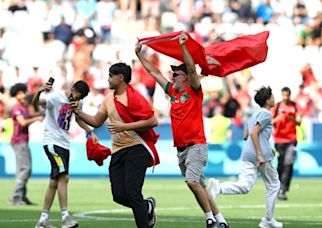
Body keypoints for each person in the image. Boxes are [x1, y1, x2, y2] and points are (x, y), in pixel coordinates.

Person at [136, 32, 229, 228]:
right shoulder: (172, 92)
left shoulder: (194, 90)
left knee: (192, 182)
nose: (173, 76)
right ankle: (221, 221)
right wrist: (140, 56)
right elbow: (155, 73)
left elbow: (193, 72)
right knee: (200, 186)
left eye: (176, 74)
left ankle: (209, 220)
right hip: (181, 149)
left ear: (186, 77)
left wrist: (184, 48)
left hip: (196, 145)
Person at [70, 63, 159, 228]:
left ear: (121, 78)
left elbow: (153, 121)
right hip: (118, 150)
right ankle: (146, 206)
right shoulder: (108, 98)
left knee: (133, 192)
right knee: (118, 195)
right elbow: (97, 121)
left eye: (111, 75)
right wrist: (79, 112)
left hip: (137, 147)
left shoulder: (135, 97)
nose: (108, 78)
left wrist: (124, 127)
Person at [207, 86, 283, 228]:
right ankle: (267, 220)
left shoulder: (254, 113)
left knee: (245, 186)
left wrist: (267, 147)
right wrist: (261, 154)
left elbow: (245, 135)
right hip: (259, 155)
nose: (274, 99)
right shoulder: (266, 114)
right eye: (272, 97)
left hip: (248, 153)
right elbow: (253, 133)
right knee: (274, 185)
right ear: (267, 101)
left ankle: (218, 188)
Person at [32, 79, 98, 228]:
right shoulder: (56, 97)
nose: (76, 100)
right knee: (64, 177)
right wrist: (39, 91)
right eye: (76, 96)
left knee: (54, 182)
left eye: (80, 99)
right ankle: (65, 217)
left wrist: (90, 132)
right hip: (52, 142)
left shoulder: (76, 103)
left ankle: (43, 220)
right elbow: (37, 103)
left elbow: (79, 120)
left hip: (64, 144)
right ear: (72, 89)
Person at [8, 83, 43, 205]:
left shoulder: (23, 107)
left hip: (22, 141)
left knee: (22, 170)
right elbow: (22, 122)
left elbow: (29, 116)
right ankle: (15, 196)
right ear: (16, 95)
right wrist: (37, 119)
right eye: (20, 93)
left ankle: (21, 196)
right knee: (26, 169)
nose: (23, 95)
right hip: (19, 141)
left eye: (23, 92)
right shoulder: (17, 108)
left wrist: (39, 114)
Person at [272, 87, 301, 200]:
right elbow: (269, 121)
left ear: (290, 95)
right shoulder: (277, 106)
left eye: (287, 95)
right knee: (281, 163)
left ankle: (283, 189)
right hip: (279, 139)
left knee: (289, 163)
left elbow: (299, 121)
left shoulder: (295, 106)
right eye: (283, 95)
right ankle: (278, 187)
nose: (285, 98)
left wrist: (291, 119)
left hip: (291, 139)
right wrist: (278, 119)